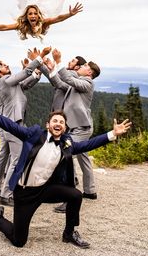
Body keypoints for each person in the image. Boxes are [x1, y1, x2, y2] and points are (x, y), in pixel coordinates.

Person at [0, 93, 131, 249]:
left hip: (45, 189)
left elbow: (88, 145)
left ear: (65, 128)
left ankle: (69, 233)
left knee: (75, 195)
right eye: (55, 121)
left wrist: (112, 134)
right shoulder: (34, 134)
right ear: (48, 125)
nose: (58, 123)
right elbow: (11, 126)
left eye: (61, 122)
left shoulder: (67, 144)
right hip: (24, 193)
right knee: (19, 241)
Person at [0, 46, 51, 206]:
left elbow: (26, 83)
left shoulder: (10, 84)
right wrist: (39, 57)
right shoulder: (4, 81)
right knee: (16, 160)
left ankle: (4, 187)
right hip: (13, 125)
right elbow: (23, 75)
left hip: (10, 124)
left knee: (9, 157)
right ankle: (6, 194)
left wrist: (37, 71)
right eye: (3, 66)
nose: (6, 66)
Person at [45, 49, 100, 213]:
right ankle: (90, 191)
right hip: (76, 127)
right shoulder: (76, 83)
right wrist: (51, 68)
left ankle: (69, 198)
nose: (80, 67)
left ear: (89, 72)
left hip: (81, 129)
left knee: (65, 157)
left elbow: (68, 78)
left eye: (83, 66)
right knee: (83, 158)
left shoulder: (87, 83)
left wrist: (59, 61)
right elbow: (61, 83)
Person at [0, 3, 83, 40]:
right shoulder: (22, 24)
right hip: (30, 30)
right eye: (30, 13)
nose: (33, 15)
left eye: (35, 13)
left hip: (41, 31)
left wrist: (69, 14)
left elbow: (58, 18)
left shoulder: (44, 22)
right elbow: (4, 27)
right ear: (26, 16)